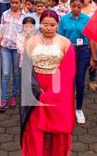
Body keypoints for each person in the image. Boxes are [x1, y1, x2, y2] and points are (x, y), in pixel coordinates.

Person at [21, 10, 76, 155]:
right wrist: (36, 91)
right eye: (45, 24)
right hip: (36, 88)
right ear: (40, 24)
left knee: (57, 128)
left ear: (57, 25)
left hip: (58, 89)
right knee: (34, 127)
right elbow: (26, 69)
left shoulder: (65, 43)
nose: (49, 28)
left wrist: (52, 94)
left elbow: (68, 72)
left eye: (52, 25)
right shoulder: (31, 42)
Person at [58, 0, 97, 124]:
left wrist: (94, 56)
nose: (76, 8)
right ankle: (66, 107)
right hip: (68, 51)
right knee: (68, 81)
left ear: (82, 6)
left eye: (79, 6)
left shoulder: (87, 19)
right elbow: (60, 37)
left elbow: (91, 38)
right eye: (73, 6)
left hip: (83, 51)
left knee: (80, 80)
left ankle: (79, 108)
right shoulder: (64, 20)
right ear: (70, 6)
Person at [0, 0, 25, 112]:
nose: (14, 5)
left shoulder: (24, 16)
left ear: (20, 3)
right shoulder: (5, 14)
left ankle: (14, 96)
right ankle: (4, 98)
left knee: (16, 73)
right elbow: (1, 29)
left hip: (17, 48)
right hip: (5, 46)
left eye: (16, 2)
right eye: (12, 2)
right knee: (5, 73)